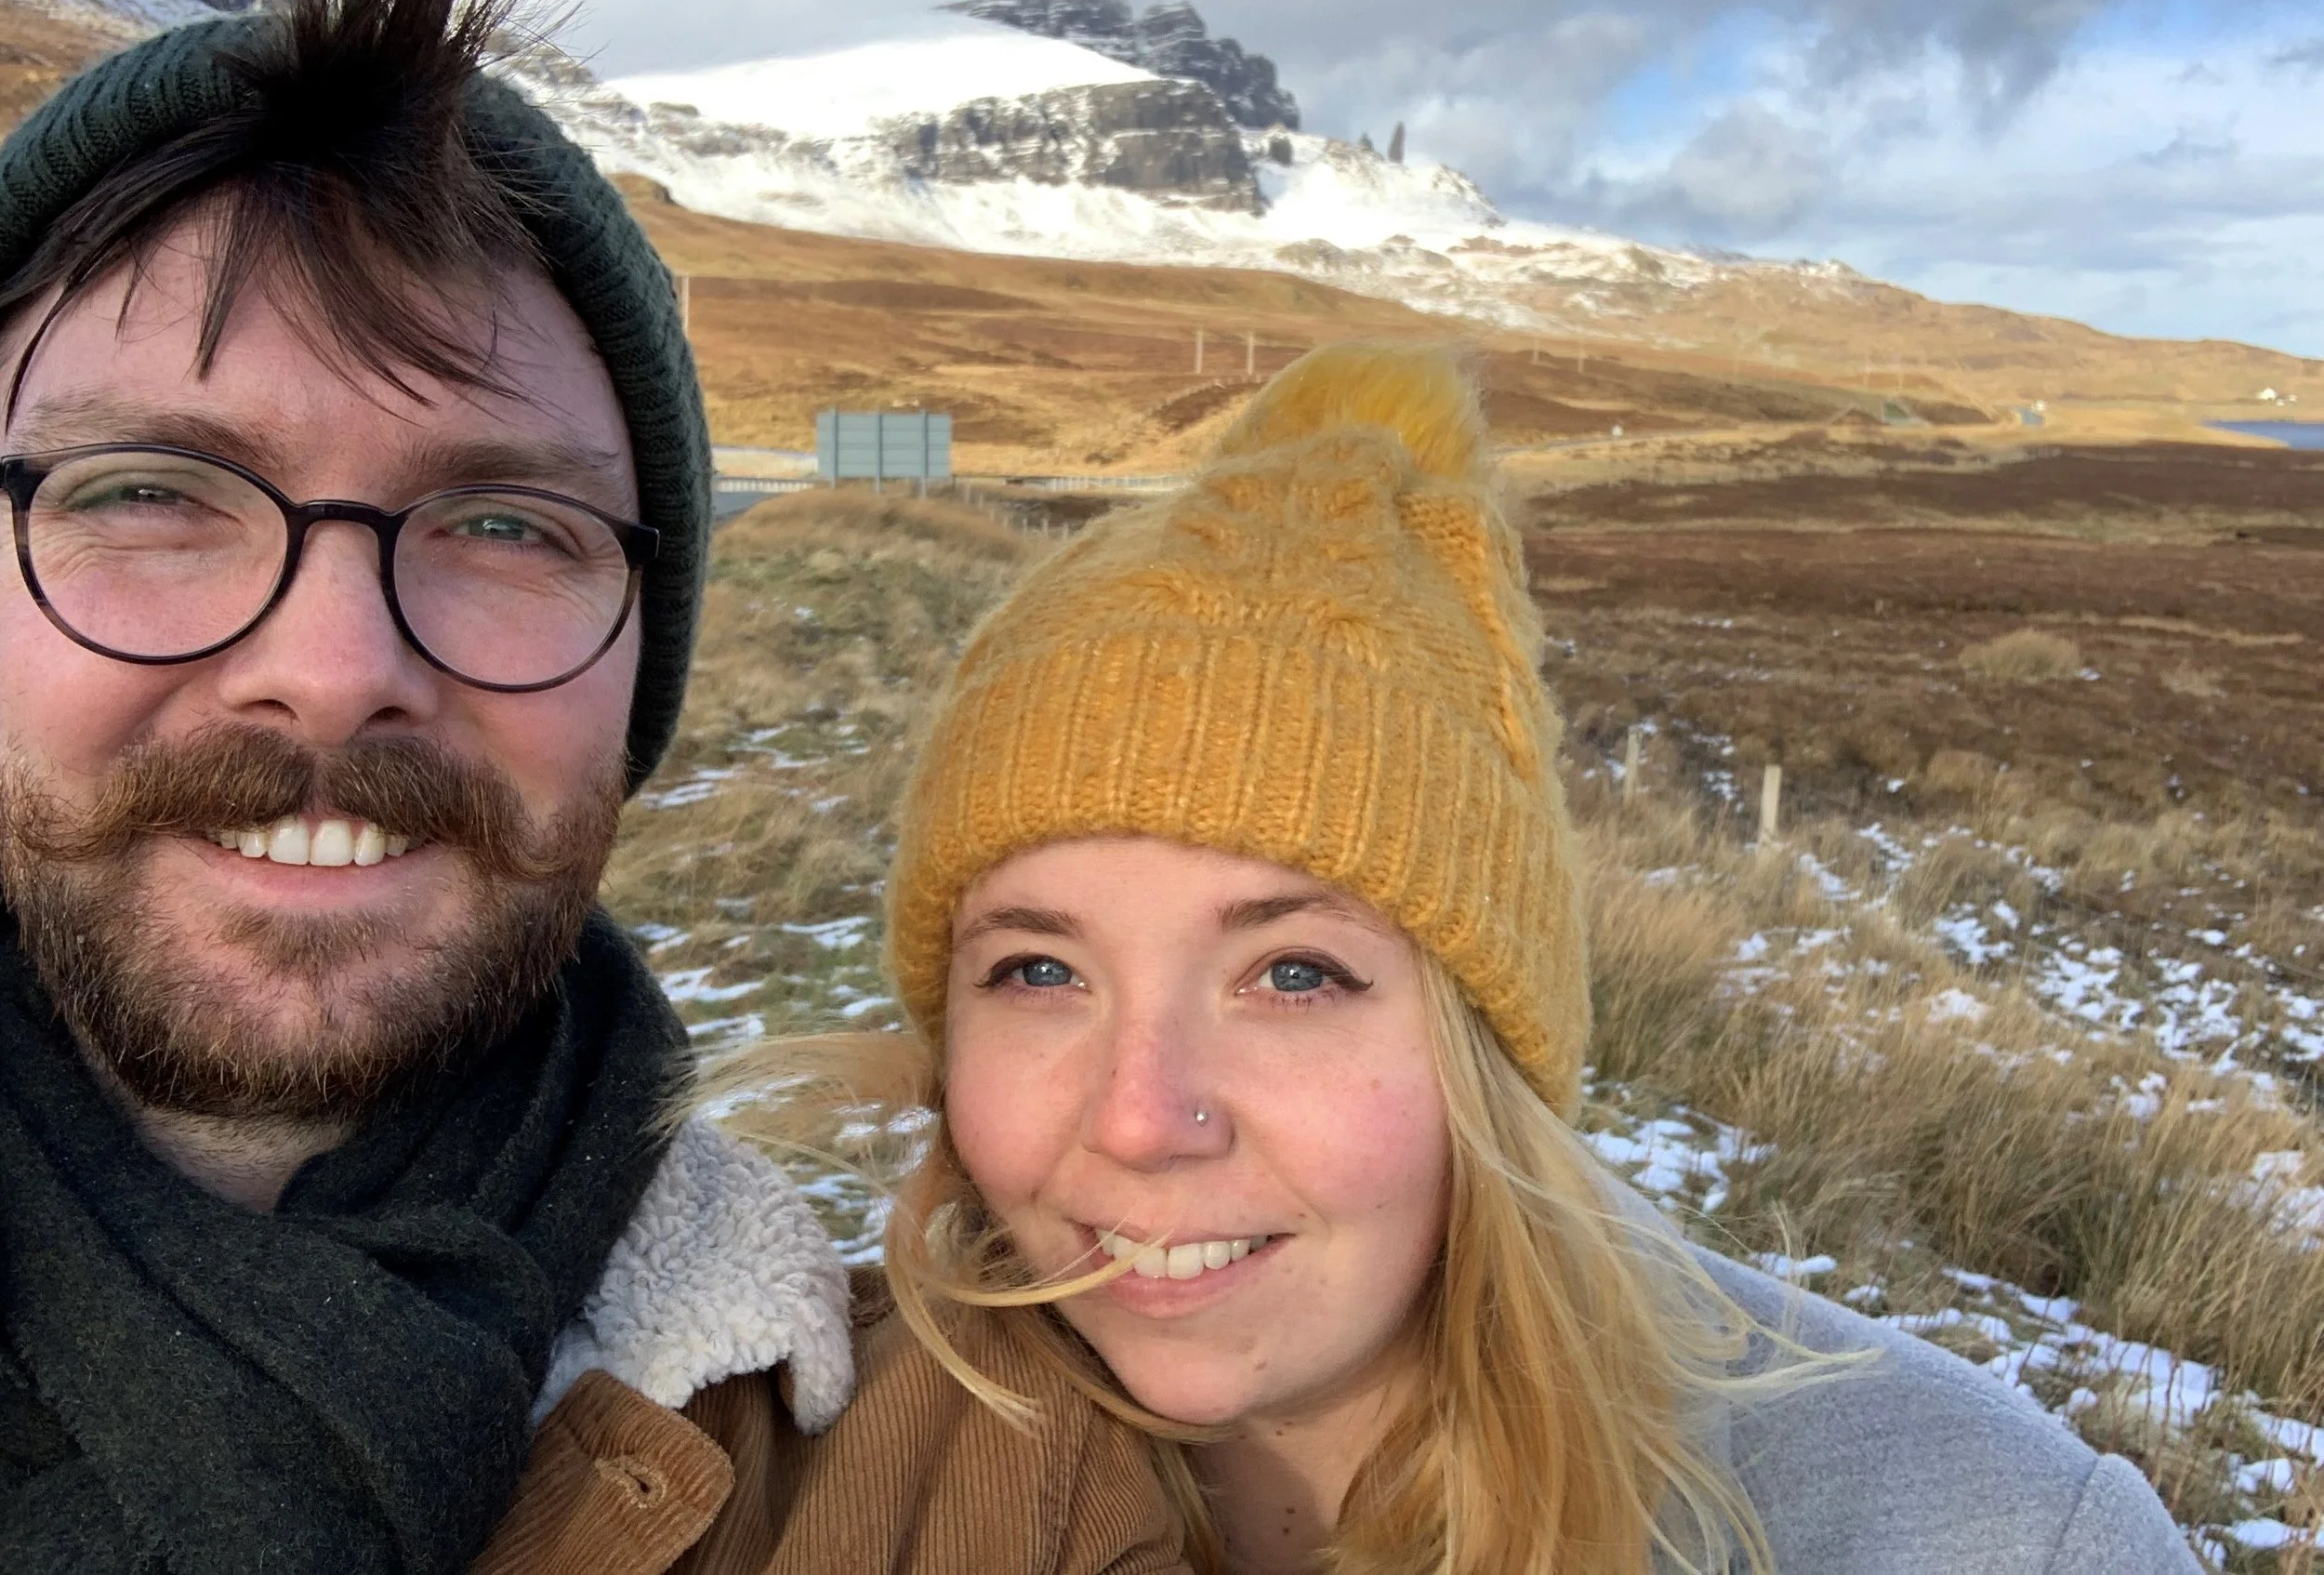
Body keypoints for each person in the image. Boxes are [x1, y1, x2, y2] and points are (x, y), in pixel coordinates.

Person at [711, 343, 2200, 1573]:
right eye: (1040, 971)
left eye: (1293, 972)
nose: (1139, 1115)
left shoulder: (1983, 1533)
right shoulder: (760, 1484)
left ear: (1485, 1038)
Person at [0, 0, 859, 1573]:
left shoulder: (903, 1461)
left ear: (638, 667)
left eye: (502, 525)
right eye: (152, 493)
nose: (330, 666)